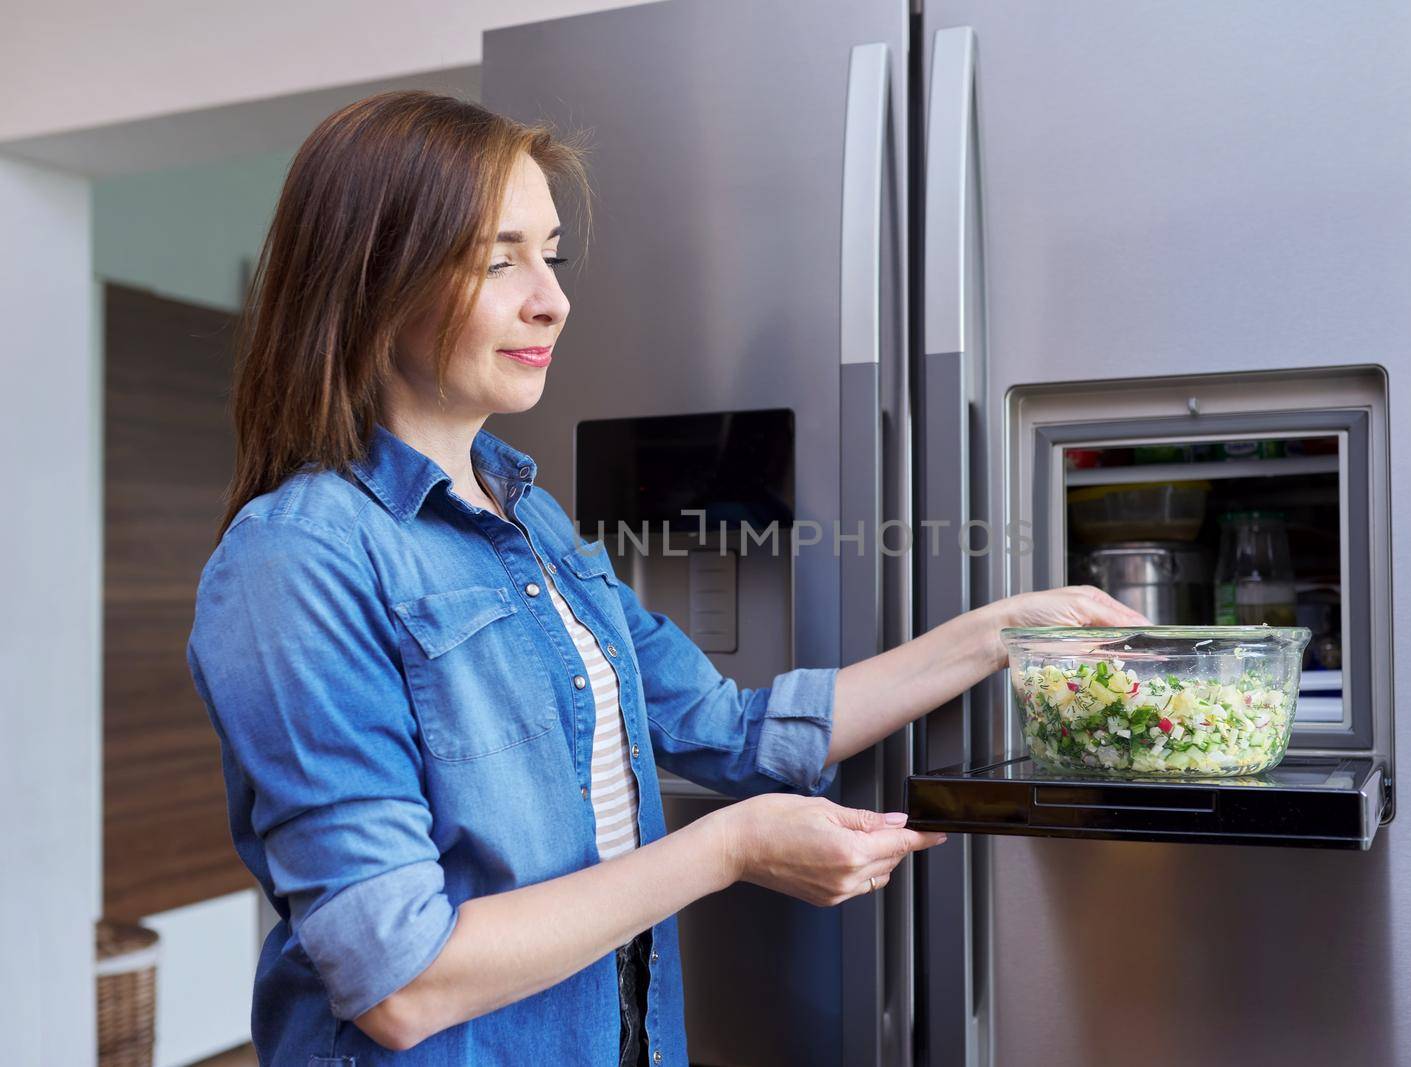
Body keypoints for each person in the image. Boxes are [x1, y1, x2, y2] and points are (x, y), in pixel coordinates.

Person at [185, 90, 1146, 1065]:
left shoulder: (531, 519)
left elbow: (730, 728)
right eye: (496, 256)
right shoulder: (296, 558)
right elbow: (398, 979)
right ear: (373, 278)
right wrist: (728, 847)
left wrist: (1004, 631)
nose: (550, 298)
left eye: (550, 254)